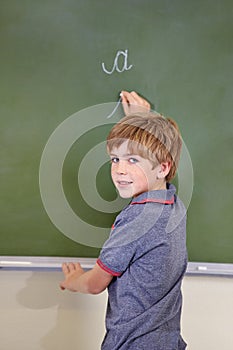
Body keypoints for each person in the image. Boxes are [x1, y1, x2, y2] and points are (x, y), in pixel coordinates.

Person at [60, 91, 187, 350]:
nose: (119, 169)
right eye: (115, 159)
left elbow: (95, 284)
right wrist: (143, 121)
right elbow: (162, 156)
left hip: (132, 344)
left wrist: (74, 282)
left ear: (162, 167)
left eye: (132, 160)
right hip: (167, 342)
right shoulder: (172, 204)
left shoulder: (137, 220)